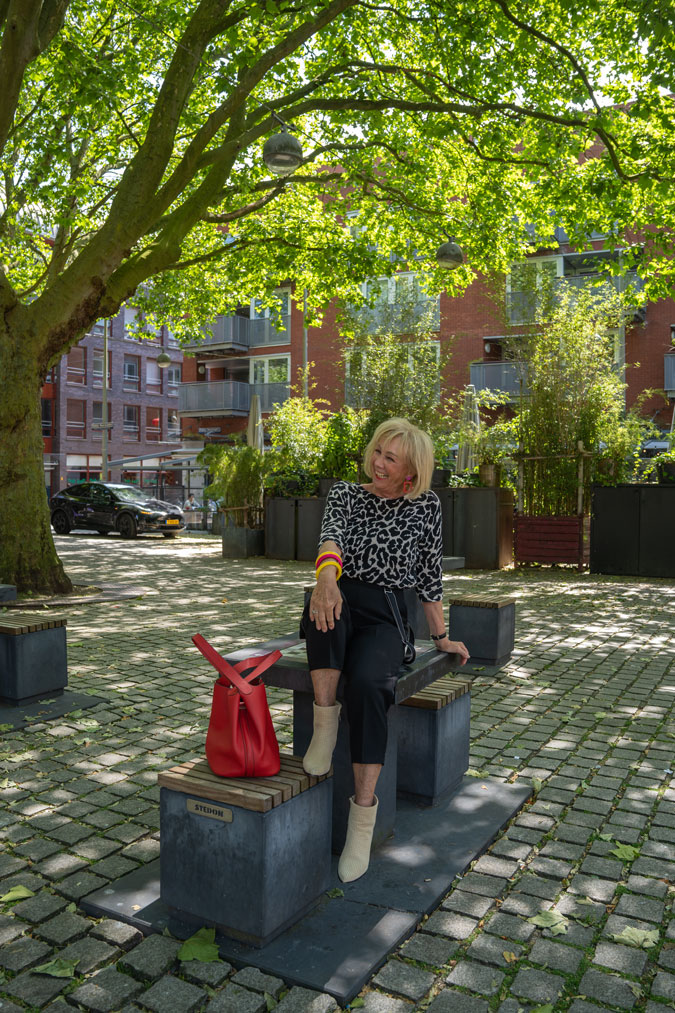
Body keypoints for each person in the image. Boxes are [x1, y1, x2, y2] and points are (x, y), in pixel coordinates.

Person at [301, 417, 470, 883]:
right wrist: (327, 579)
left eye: (389, 458)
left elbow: (429, 576)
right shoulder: (346, 494)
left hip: (388, 614)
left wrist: (440, 636)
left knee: (372, 687)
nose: (378, 463)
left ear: (410, 470)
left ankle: (362, 819)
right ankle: (324, 725)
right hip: (338, 594)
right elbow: (329, 537)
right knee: (323, 608)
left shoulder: (426, 507)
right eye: (377, 452)